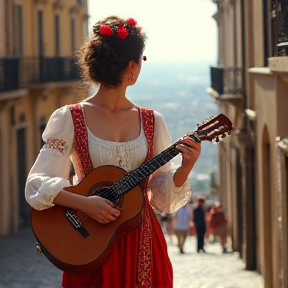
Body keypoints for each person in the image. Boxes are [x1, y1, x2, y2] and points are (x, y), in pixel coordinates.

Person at [25, 16, 201, 288]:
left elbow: (161, 199)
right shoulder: (70, 118)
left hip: (142, 242)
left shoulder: (153, 121)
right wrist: (85, 204)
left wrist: (185, 168)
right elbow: (37, 183)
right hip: (87, 244)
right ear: (132, 66)